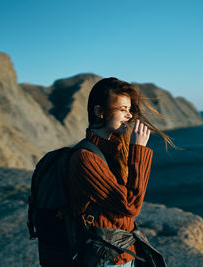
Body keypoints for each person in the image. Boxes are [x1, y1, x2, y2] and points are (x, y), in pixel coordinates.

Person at [68, 77, 173, 266]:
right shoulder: (85, 158)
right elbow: (130, 205)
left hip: (122, 252)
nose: (130, 116)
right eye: (122, 109)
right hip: (107, 259)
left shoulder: (114, 149)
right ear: (99, 112)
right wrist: (138, 150)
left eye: (129, 109)